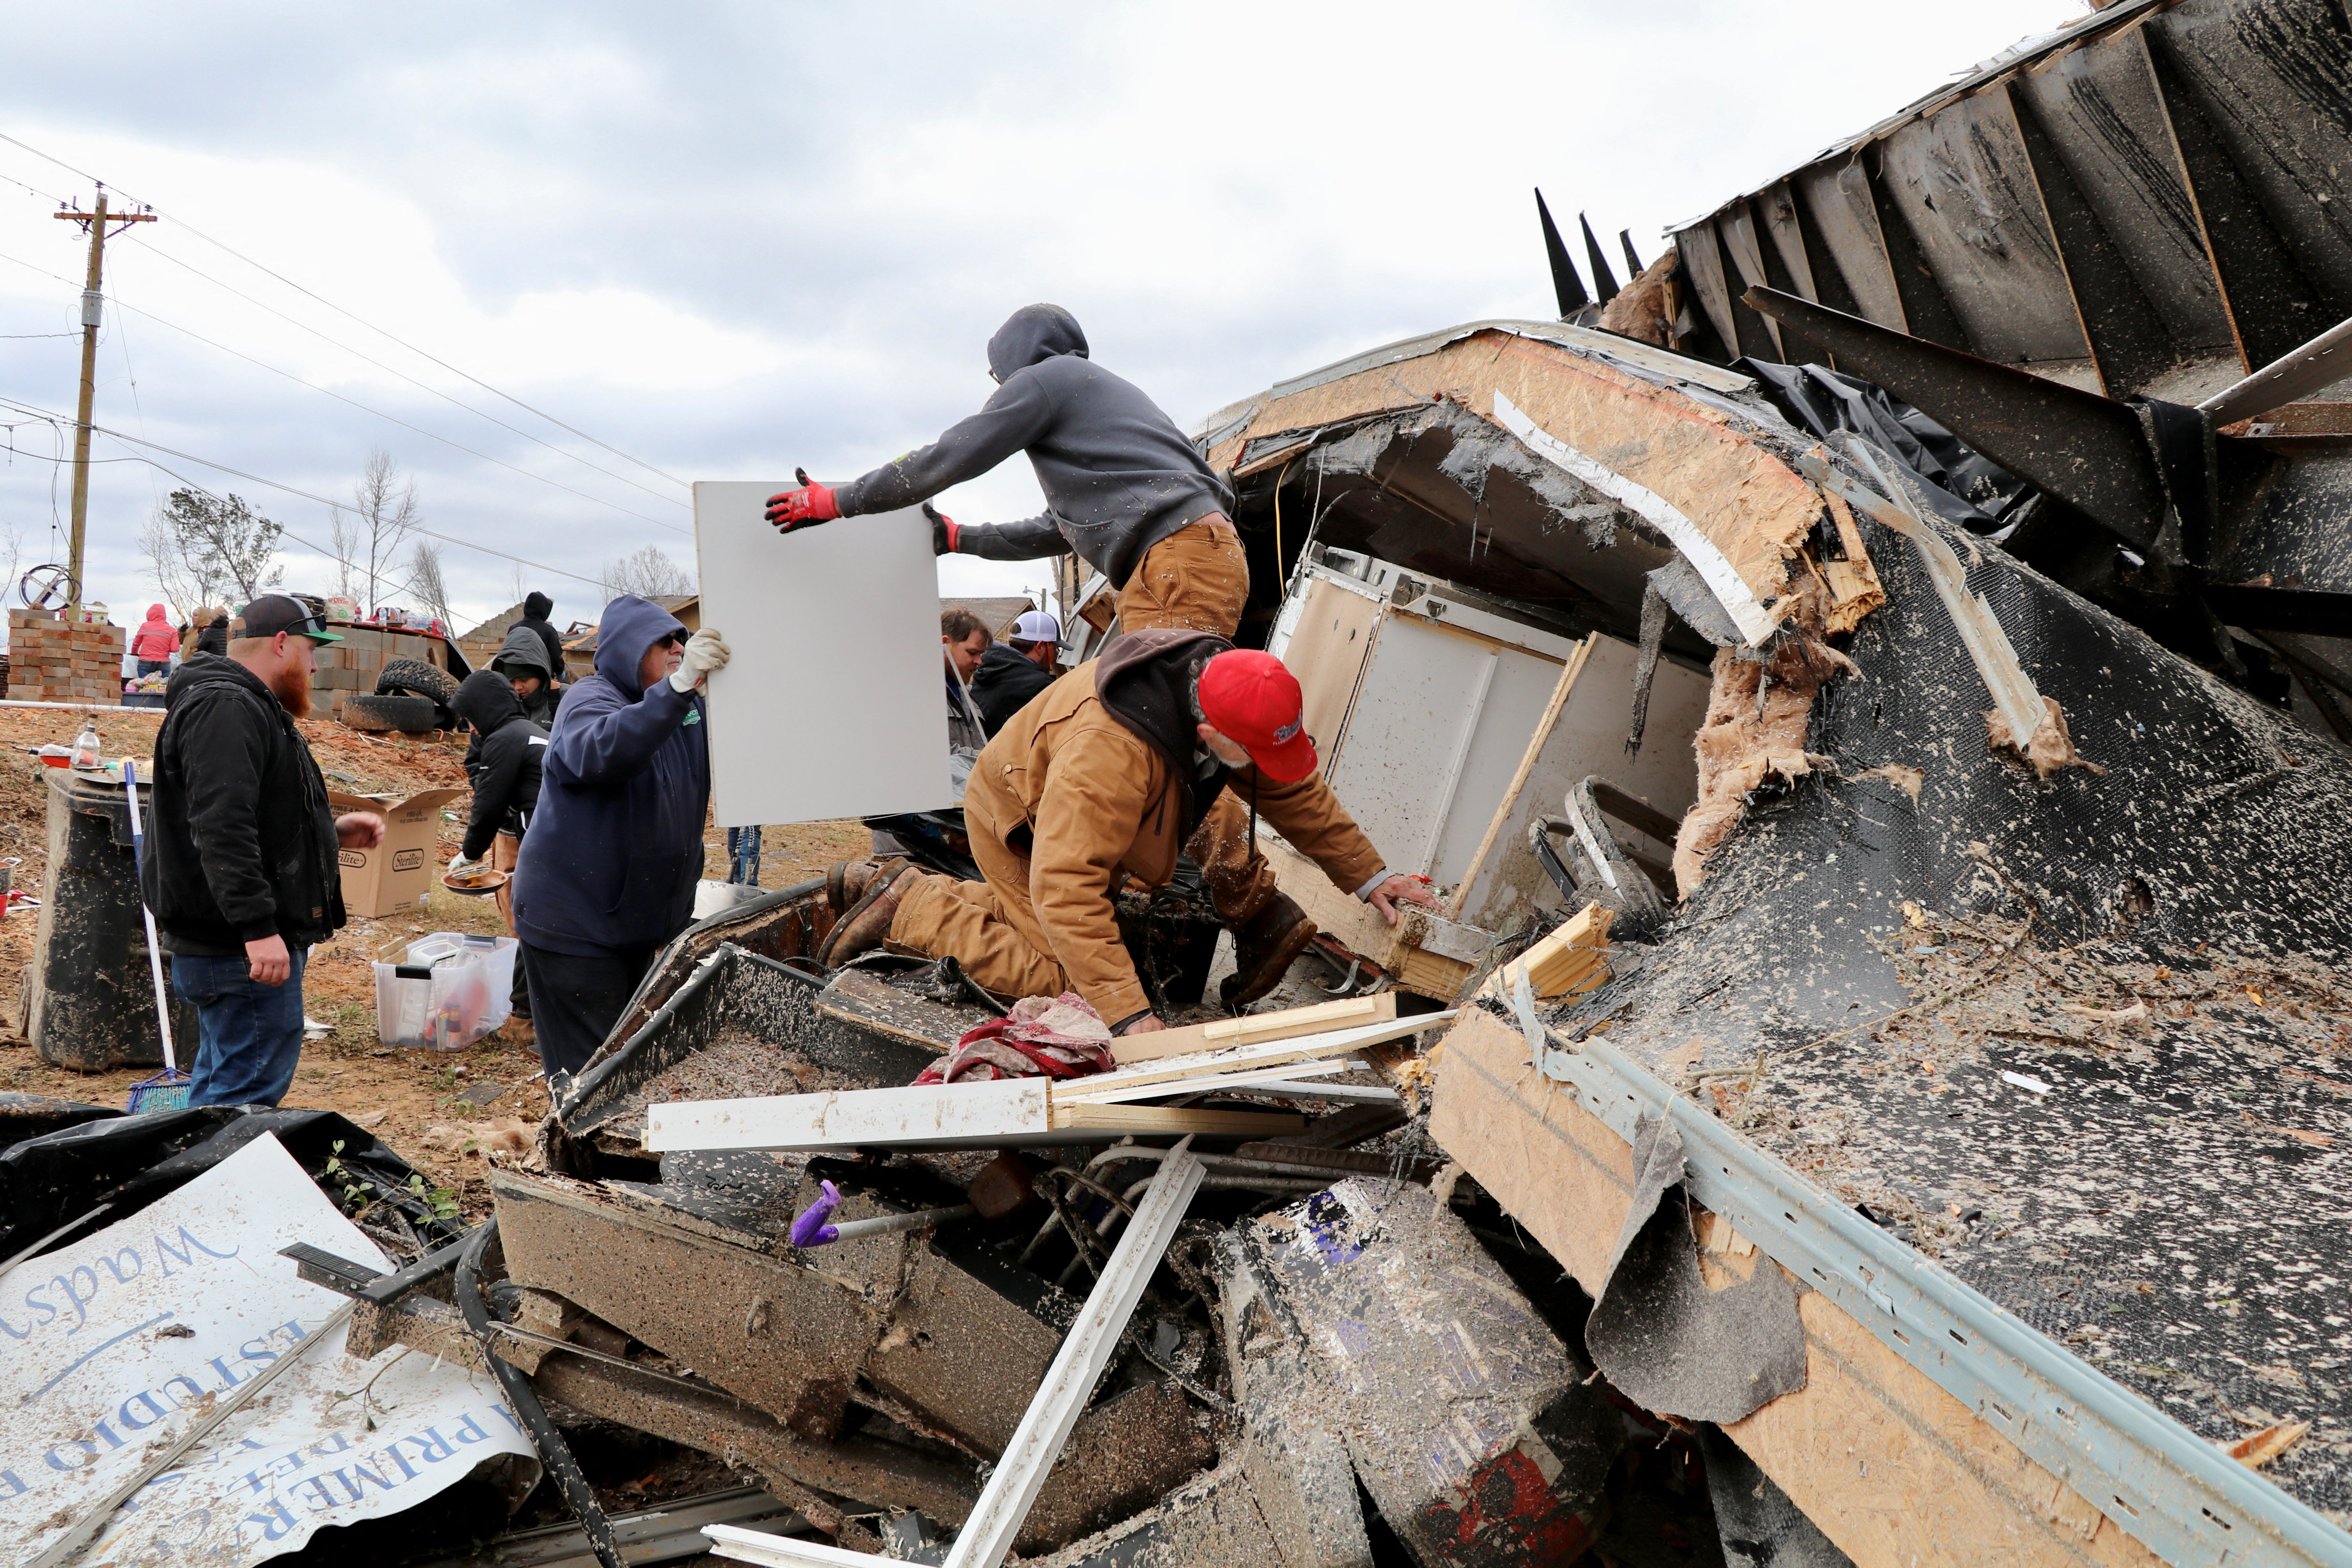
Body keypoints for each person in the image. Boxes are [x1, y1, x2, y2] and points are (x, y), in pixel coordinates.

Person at [819, 633, 1439, 1029]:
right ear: (1207, 735)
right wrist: (1128, 1016)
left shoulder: (1228, 685)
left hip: (1072, 820)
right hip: (1019, 823)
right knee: (1066, 979)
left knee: (1071, 940)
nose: (1259, 768)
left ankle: (909, 888)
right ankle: (910, 909)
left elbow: (1285, 783)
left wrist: (1372, 877)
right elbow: (1066, 889)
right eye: (1246, 754)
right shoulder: (1107, 755)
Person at [765, 304, 1244, 638]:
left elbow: (949, 456)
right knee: (1187, 720)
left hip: (1175, 559)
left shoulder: (1046, 380)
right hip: (1208, 556)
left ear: (1013, 360)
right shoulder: (1110, 403)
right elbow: (1056, 532)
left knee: (1157, 734)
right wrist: (959, 538)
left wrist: (838, 501)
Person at [140, 596, 385, 1106]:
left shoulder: (243, 705)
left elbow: (245, 814)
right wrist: (258, 929)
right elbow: (221, 827)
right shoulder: (227, 708)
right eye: (310, 650)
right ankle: (211, 1183)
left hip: (231, 944)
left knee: (224, 1078)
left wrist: (331, 833)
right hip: (236, 949)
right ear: (281, 644)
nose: (315, 665)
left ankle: (199, 1172)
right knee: (241, 1097)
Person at [509, 596, 731, 1078]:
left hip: (634, 924)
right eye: (663, 641)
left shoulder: (683, 711)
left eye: (681, 639)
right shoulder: (590, 699)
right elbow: (600, 751)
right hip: (577, 926)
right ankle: (577, 1152)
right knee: (591, 1077)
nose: (677, 647)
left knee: (630, 1068)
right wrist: (677, 689)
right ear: (630, 649)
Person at [449, 669, 548, 1038]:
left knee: (535, 925)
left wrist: (470, 854)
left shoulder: (506, 738)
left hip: (549, 846)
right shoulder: (531, 732)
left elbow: (488, 803)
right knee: (539, 925)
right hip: (563, 840)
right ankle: (525, 1017)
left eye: (473, 718)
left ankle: (525, 1022)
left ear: (487, 710)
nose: (472, 728)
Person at [972, 608, 1059, 736]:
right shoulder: (1039, 685)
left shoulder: (987, 667)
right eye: (1055, 648)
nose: (1056, 655)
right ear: (1040, 647)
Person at [489, 621, 563, 728]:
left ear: (541, 674)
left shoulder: (565, 699)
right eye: (511, 682)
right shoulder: (499, 706)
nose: (517, 688)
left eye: (524, 680)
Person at [515, 591, 568, 688]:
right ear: (544, 610)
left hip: (514, 680)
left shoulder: (514, 628)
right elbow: (555, 656)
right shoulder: (548, 631)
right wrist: (560, 673)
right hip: (540, 681)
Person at [131, 604, 178, 676]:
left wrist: (134, 652)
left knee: (145, 685)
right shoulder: (172, 630)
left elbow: (136, 643)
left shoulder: (145, 627)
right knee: (163, 686)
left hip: (145, 662)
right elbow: (175, 649)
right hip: (164, 664)